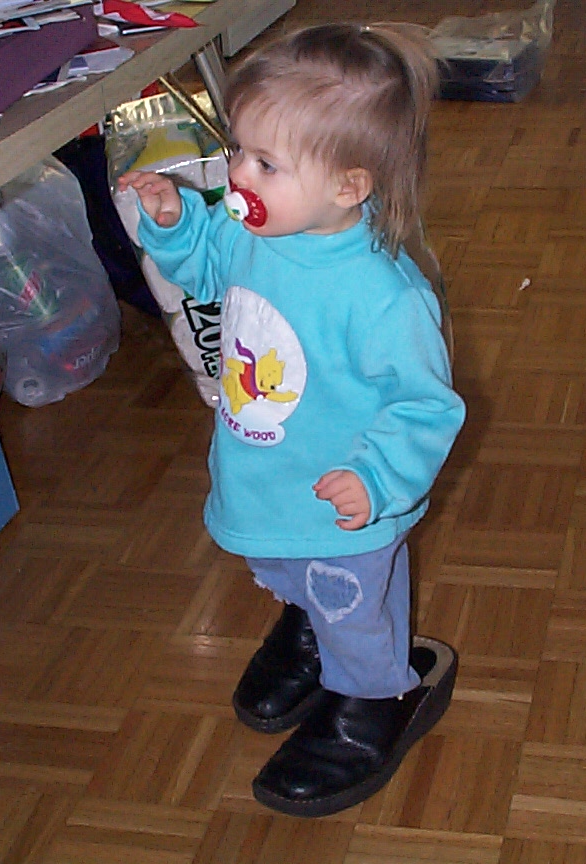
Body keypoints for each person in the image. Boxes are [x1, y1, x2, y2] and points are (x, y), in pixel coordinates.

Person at [118, 22, 465, 818]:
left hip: (346, 502)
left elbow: (425, 404)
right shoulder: (254, 230)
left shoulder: (385, 297)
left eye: (265, 164)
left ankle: (374, 697)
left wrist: (375, 478)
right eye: (238, 150)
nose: (238, 176)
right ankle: (308, 628)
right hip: (268, 474)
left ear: (348, 186)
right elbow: (207, 265)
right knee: (287, 570)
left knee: (356, 607)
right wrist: (175, 224)